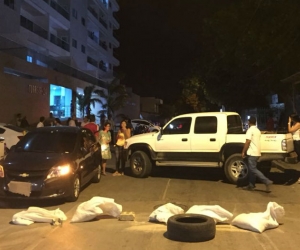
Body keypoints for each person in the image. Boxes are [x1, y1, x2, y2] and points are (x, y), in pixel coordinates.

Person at [241, 116, 273, 192]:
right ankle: (251, 185)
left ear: (249, 122)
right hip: (257, 152)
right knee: (252, 169)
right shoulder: (257, 130)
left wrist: (243, 151)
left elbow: (248, 142)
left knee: (253, 169)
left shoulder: (250, 130)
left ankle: (266, 181)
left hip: (252, 152)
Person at [288, 114, 300, 183]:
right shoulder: (295, 123)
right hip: (295, 142)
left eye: (292, 118)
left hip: (298, 142)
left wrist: (289, 122)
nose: (291, 119)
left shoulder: (298, 124)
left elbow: (290, 130)